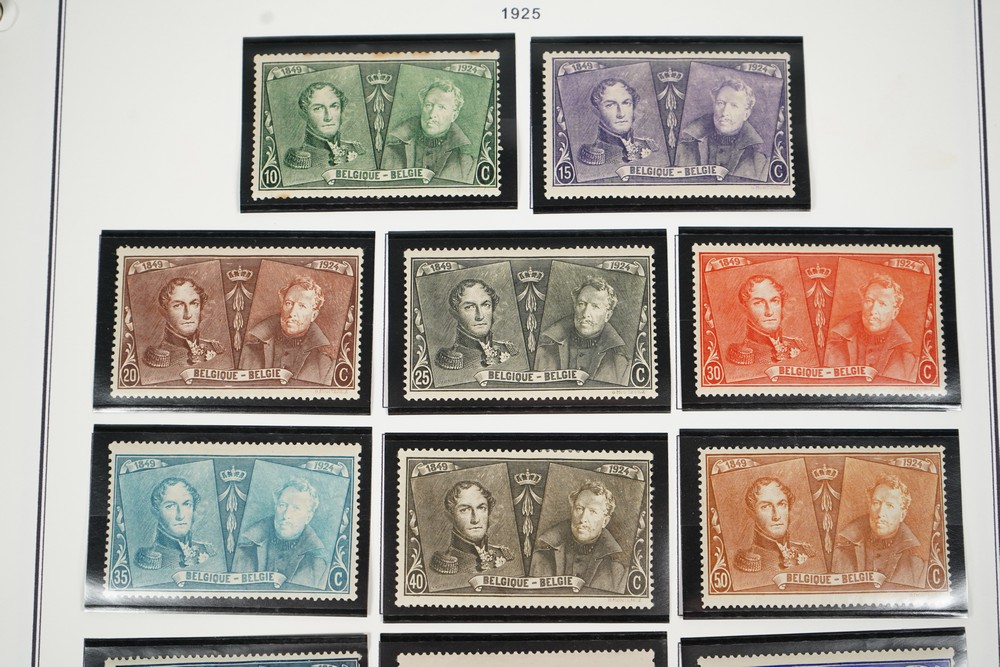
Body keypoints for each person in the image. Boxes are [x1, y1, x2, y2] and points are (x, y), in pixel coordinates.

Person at [529, 479, 628, 593]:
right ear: (572, 511)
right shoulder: (540, 557)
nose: (583, 518)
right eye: (579, 509)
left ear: (605, 521)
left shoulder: (618, 570)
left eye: (593, 511)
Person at [832, 473, 927, 588]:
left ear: (902, 515)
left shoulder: (917, 565)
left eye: (890, 505)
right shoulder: (841, 552)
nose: (881, 513)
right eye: (876, 503)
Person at [233, 477, 328, 589]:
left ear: (308, 517)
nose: (286, 515)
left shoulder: (319, 567)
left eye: (296, 508)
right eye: (282, 505)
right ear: (275, 507)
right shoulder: (243, 551)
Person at [534, 275, 630, 385]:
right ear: (575, 307)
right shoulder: (543, 353)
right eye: (581, 304)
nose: (585, 313)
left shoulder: (621, 364)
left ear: (607, 315)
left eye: (595, 306)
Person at [240, 275, 335, 385]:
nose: (292, 313)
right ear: (282, 306)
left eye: (302, 306)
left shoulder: (325, 364)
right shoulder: (249, 351)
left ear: (313, 315)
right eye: (288, 303)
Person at [824, 273, 918, 382]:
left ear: (895, 313)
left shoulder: (909, 362)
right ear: (862, 303)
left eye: (882, 304)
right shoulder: (833, 348)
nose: (873, 311)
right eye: (869, 301)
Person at [382, 78, 476, 183]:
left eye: (442, 107)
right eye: (428, 105)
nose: (432, 114)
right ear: (422, 107)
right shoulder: (392, 151)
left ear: (454, 116)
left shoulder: (467, 164)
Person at [675, 77, 769, 181]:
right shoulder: (683, 150)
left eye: (734, 105)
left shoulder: (760, 162)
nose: (724, 112)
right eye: (720, 103)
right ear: (714, 105)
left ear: (746, 114)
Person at [430, 480, 515, 576]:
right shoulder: (446, 564)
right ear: (450, 516)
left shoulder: (503, 554)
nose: (476, 519)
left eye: (481, 508)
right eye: (465, 510)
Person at [733, 477, 815, 574]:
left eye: (782, 504)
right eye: (765, 507)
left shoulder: (804, 551)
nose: (776, 516)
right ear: (752, 513)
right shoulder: (749, 562)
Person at [434, 278, 519, 371]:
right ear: (455, 314)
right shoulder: (451, 360)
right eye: (469, 307)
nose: (480, 316)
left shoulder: (507, 350)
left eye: (486, 305)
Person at [142, 277, 224, 369]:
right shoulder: (159, 358)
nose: (188, 315)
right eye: (178, 305)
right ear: (164, 312)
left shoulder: (213, 348)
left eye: (194, 304)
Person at [135, 477, 215, 571]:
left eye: (187, 504)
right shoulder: (149, 560)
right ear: (156, 511)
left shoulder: (206, 550)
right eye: (170, 506)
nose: (180, 516)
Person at [726, 275, 807, 367]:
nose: (769, 312)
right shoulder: (742, 355)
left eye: (774, 301)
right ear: (744, 309)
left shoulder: (796, 346)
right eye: (758, 303)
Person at [284, 82, 366, 170]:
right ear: (304, 113)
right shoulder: (300, 159)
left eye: (334, 106)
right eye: (318, 108)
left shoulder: (355, 149)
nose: (328, 117)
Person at [576, 78, 657, 166]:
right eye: (610, 105)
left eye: (626, 103)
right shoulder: (592, 156)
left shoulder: (647, 146)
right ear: (597, 110)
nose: (621, 114)